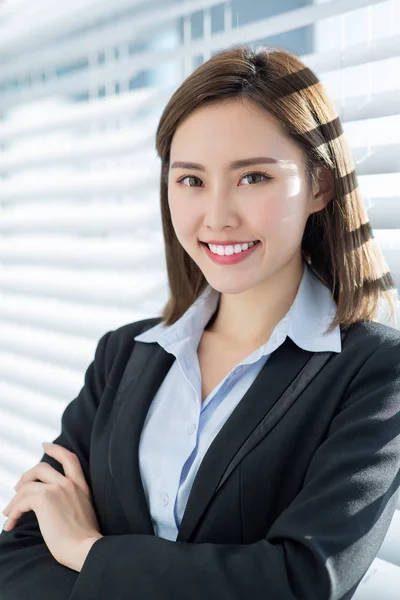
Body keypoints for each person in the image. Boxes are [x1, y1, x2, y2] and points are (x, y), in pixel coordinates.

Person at [1, 44, 400, 600]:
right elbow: (18, 554)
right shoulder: (124, 353)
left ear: (320, 186)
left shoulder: (375, 372)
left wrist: (86, 551)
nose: (217, 217)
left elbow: (302, 582)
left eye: (253, 177)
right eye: (191, 180)